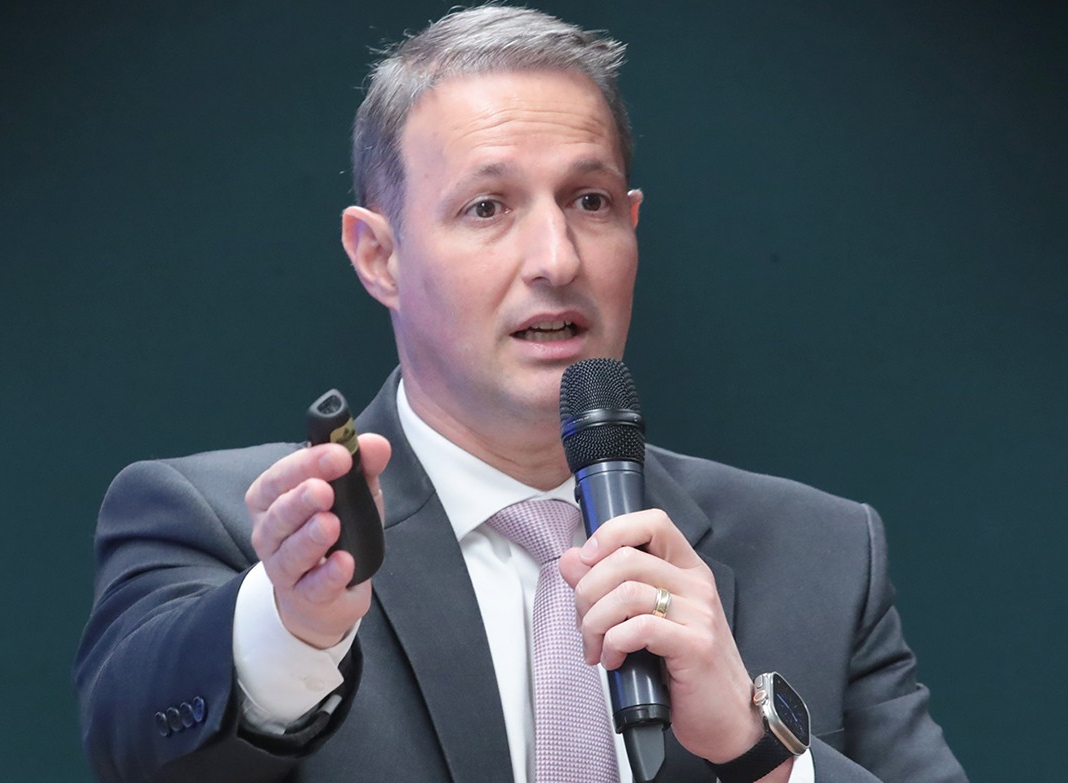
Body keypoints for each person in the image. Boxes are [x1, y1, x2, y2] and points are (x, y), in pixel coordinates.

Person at [73, 6, 967, 782]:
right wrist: (292, 624)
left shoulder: (820, 553)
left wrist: (756, 748)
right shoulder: (239, 528)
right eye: (487, 207)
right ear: (378, 255)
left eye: (589, 201)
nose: (556, 258)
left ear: (633, 227)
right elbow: (131, 752)